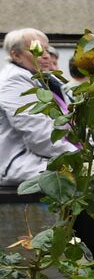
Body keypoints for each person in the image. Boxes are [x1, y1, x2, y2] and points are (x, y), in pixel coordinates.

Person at [0, 28, 77, 187]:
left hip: (48, 155)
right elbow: (39, 135)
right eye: (37, 50)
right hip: (23, 160)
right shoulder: (13, 81)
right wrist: (80, 158)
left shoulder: (47, 78)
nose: (46, 55)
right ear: (16, 55)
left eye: (47, 49)